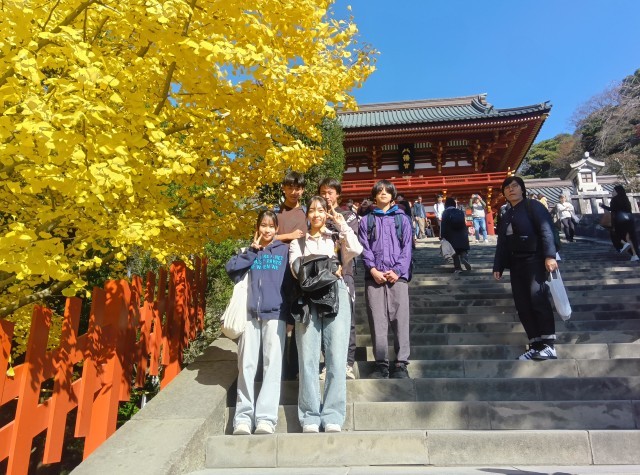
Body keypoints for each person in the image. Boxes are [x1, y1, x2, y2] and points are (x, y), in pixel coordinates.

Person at [289, 196, 362, 433]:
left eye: (321, 210)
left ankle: (333, 415)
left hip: (336, 294)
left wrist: (342, 224)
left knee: (336, 356)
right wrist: (328, 266)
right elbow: (295, 269)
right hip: (307, 297)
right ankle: (309, 415)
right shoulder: (298, 242)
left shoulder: (336, 238)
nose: (317, 214)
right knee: (307, 357)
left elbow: (356, 249)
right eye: (312, 210)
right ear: (307, 215)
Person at [225, 210, 292, 435]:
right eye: (263, 225)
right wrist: (251, 252)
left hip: (276, 314)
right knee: (246, 366)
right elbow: (230, 269)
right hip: (250, 314)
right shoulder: (248, 251)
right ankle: (243, 418)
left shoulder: (283, 251)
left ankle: (266, 419)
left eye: (271, 226)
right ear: (257, 227)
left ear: (277, 229)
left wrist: (290, 317)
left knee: (272, 367)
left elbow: (290, 286)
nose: (267, 230)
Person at [493, 176, 559, 361]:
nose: (511, 190)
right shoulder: (506, 214)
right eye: (507, 187)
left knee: (538, 299)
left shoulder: (533, 206)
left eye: (515, 186)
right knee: (522, 304)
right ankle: (535, 344)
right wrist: (498, 265)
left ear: (522, 189)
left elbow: (546, 230)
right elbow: (502, 243)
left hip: (534, 259)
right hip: (516, 263)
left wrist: (549, 255)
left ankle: (549, 345)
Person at [358, 180, 413, 379]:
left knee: (401, 320)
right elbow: (364, 247)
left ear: (392, 195)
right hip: (374, 278)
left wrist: (397, 270)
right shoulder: (366, 221)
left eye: (387, 190)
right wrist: (373, 269)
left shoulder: (402, 219)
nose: (383, 193)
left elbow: (407, 247)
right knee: (377, 321)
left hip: (398, 277)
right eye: (379, 190)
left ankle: (401, 363)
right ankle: (381, 363)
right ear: (374, 195)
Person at [318, 177, 359, 380]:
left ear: (338, 194)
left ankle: (347, 363)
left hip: (345, 273)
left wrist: (336, 221)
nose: (326, 196)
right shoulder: (317, 216)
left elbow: (352, 240)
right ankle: (329, 363)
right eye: (323, 193)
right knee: (325, 318)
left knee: (347, 318)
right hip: (323, 274)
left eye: (330, 192)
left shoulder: (348, 215)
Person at [274, 171, 307, 380]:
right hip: (277, 269)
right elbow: (262, 236)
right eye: (290, 188)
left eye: (298, 188)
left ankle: (294, 367)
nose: (294, 192)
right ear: (284, 188)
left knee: (298, 318)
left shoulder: (307, 212)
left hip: (301, 272)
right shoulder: (275, 213)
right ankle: (278, 367)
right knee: (279, 317)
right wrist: (290, 236)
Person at [599, 185, 639, 262]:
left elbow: (612, 209)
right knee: (629, 237)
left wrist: (602, 205)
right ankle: (635, 255)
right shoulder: (625, 199)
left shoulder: (614, 199)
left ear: (617, 192)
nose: (612, 192)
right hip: (630, 218)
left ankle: (624, 244)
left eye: (613, 191)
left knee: (614, 234)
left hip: (620, 218)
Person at [441, 197, 471, 273]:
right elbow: (463, 223)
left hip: (451, 234)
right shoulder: (460, 212)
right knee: (462, 249)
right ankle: (464, 258)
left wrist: (442, 236)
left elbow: (443, 225)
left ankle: (458, 268)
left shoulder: (445, 212)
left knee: (454, 252)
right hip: (462, 234)